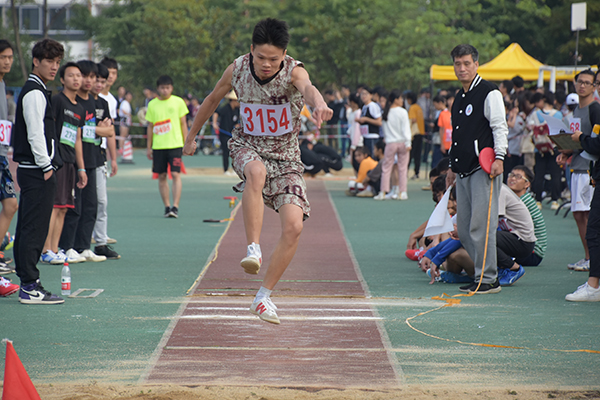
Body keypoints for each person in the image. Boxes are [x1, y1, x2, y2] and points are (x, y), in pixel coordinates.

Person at [183, 18, 333, 324]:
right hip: (247, 146)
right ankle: (253, 249)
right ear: (251, 50)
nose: (266, 64)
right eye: (261, 57)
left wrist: (319, 103)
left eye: (273, 59)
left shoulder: (294, 71)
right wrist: (191, 135)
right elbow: (212, 99)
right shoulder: (237, 69)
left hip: (286, 159)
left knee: (294, 226)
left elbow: (309, 88)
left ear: (284, 55)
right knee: (256, 172)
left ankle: (263, 297)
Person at [445, 44, 508, 294]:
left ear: (476, 64)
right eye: (457, 64)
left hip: (485, 169)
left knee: (481, 227)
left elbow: (499, 127)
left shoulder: (489, 92)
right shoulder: (459, 97)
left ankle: (489, 278)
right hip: (462, 170)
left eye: (466, 63)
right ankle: (485, 272)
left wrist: (499, 157)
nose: (462, 68)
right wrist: (452, 165)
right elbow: (457, 135)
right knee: (464, 228)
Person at [11, 38, 65, 304]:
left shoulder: (38, 89)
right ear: (36, 61)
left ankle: (27, 281)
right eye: (49, 61)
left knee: (29, 227)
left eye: (57, 62)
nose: (54, 67)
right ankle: (30, 286)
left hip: (34, 169)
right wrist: (46, 166)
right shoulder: (34, 91)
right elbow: (35, 133)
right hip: (36, 170)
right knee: (34, 228)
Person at [59, 60, 112, 263]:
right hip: (73, 161)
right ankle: (67, 246)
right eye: (85, 76)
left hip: (93, 160)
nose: (88, 81)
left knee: (91, 206)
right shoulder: (71, 103)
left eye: (92, 77)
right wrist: (98, 129)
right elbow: (78, 133)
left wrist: (100, 130)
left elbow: (110, 131)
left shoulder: (96, 102)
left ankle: (84, 247)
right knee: (74, 206)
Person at [40, 62, 87, 265]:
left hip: (70, 162)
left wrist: (81, 167)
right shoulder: (58, 101)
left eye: (78, 75)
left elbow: (77, 139)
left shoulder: (80, 108)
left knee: (64, 207)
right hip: (56, 160)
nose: (76, 79)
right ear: (62, 79)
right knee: (54, 206)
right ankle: (45, 250)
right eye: (71, 75)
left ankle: (54, 248)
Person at [557, 70, 600, 272]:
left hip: (588, 169)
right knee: (578, 214)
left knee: (588, 215)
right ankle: (588, 257)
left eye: (587, 82)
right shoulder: (576, 110)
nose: (582, 86)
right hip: (576, 165)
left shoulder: (595, 109)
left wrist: (578, 143)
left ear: (593, 86)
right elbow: (578, 140)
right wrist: (566, 152)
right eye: (579, 82)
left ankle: (592, 259)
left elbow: (593, 141)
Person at [145, 75, 189, 218]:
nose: (165, 90)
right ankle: (167, 206)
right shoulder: (152, 104)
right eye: (162, 88)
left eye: (168, 88)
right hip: (159, 146)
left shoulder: (178, 102)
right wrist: (149, 147)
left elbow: (183, 123)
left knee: (175, 174)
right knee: (162, 176)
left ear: (172, 88)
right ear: (158, 89)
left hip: (175, 144)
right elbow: (150, 126)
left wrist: (187, 142)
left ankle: (175, 206)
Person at [91, 62, 119, 259]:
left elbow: (110, 131)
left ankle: (100, 242)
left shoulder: (105, 103)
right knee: (81, 203)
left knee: (101, 201)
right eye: (97, 80)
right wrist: (99, 129)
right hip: (80, 157)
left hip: (99, 156)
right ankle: (76, 244)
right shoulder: (80, 102)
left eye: (103, 81)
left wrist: (113, 158)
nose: (99, 84)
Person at [0, 40, 18, 274]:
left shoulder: (3, 84)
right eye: (3, 57)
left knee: (11, 205)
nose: (7, 61)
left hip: (2, 154)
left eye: (10, 57)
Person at [506, 165, 546, 267]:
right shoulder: (517, 198)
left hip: (533, 253)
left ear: (527, 184)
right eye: (511, 175)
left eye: (518, 177)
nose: (512, 178)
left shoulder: (523, 201)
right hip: (527, 248)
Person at [374, 90, 411, 200]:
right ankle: (403, 192)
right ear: (395, 99)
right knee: (402, 168)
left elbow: (385, 130)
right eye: (400, 98)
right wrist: (408, 142)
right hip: (402, 142)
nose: (402, 101)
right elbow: (406, 129)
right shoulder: (402, 112)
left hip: (390, 143)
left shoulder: (386, 112)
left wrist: (388, 139)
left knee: (386, 168)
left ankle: (383, 192)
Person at [212, 90, 240, 176]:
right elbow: (216, 113)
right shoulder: (225, 108)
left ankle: (235, 169)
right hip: (224, 133)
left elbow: (236, 121)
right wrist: (214, 123)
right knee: (226, 151)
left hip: (232, 134)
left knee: (234, 151)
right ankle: (226, 169)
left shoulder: (237, 110)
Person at [355, 87, 381, 156]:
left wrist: (366, 119)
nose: (363, 96)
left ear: (371, 95)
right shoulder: (364, 107)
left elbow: (379, 122)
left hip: (372, 136)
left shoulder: (373, 106)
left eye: (365, 94)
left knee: (372, 156)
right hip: (365, 135)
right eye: (362, 94)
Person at [406, 91, 425, 180]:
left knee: (410, 154)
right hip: (421, 132)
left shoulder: (412, 108)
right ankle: (416, 172)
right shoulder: (419, 107)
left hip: (414, 133)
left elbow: (413, 120)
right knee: (417, 154)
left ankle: (406, 171)